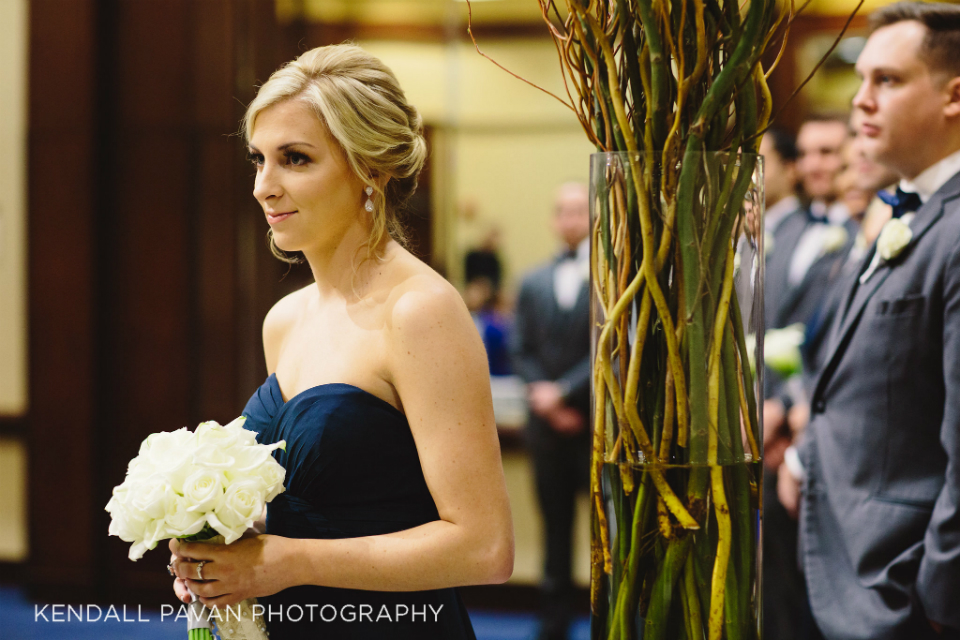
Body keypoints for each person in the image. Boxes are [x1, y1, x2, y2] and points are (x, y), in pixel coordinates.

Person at [166, 44, 514, 639]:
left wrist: (287, 562)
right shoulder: (286, 318)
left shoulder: (420, 311)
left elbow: (485, 547)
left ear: (370, 170)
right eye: (258, 159)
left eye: (295, 159)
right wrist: (219, 547)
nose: (263, 187)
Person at [780, 3, 960, 638]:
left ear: (954, 96)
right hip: (851, 568)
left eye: (887, 80)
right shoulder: (915, 213)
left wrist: (940, 601)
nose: (862, 102)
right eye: (861, 82)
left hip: (906, 592)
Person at [510, 182, 591, 640]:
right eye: (563, 211)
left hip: (593, 424)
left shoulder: (611, 276)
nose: (570, 219)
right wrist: (546, 398)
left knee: (608, 531)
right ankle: (553, 621)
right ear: (553, 219)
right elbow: (520, 348)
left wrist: (564, 394)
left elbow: (611, 349)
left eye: (579, 211)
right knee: (554, 526)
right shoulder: (532, 280)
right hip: (545, 428)